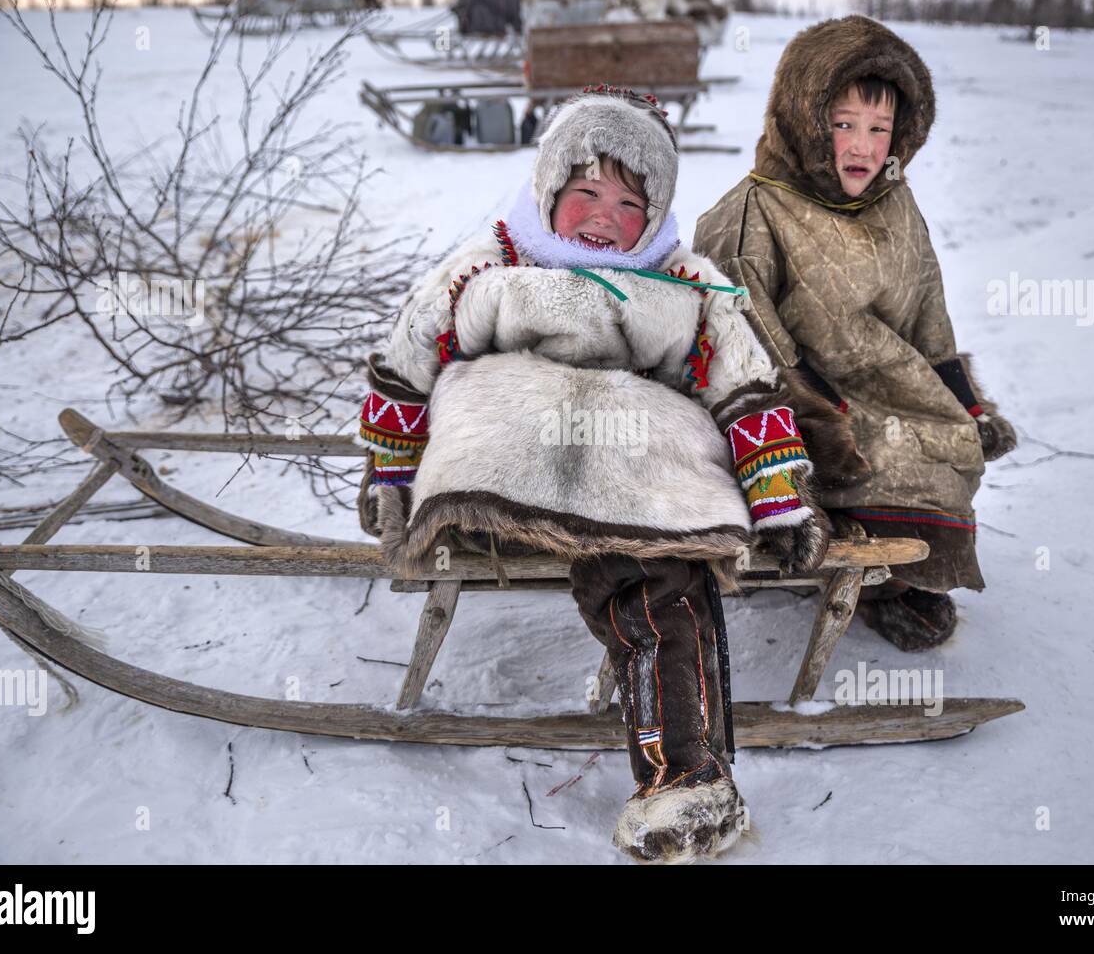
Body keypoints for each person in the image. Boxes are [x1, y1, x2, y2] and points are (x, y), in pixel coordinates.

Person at [353, 86, 858, 862]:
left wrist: (779, 495)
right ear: (549, 189)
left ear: (654, 218)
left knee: (658, 588)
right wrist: (389, 475)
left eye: (630, 203)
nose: (603, 214)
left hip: (628, 467)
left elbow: (742, 378)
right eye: (585, 190)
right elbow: (413, 348)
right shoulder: (494, 259)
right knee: (640, 560)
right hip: (505, 462)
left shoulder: (683, 279)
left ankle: (684, 777)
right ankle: (685, 765)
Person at [693, 16, 1018, 653]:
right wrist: (824, 418)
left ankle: (907, 567)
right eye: (843, 124)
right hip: (799, 403)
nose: (863, 147)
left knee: (949, 442)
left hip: (895, 385)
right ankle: (868, 573)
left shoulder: (897, 204)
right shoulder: (751, 213)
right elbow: (747, 339)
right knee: (886, 454)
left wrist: (968, 404)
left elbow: (928, 309)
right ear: (804, 120)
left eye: (880, 129)